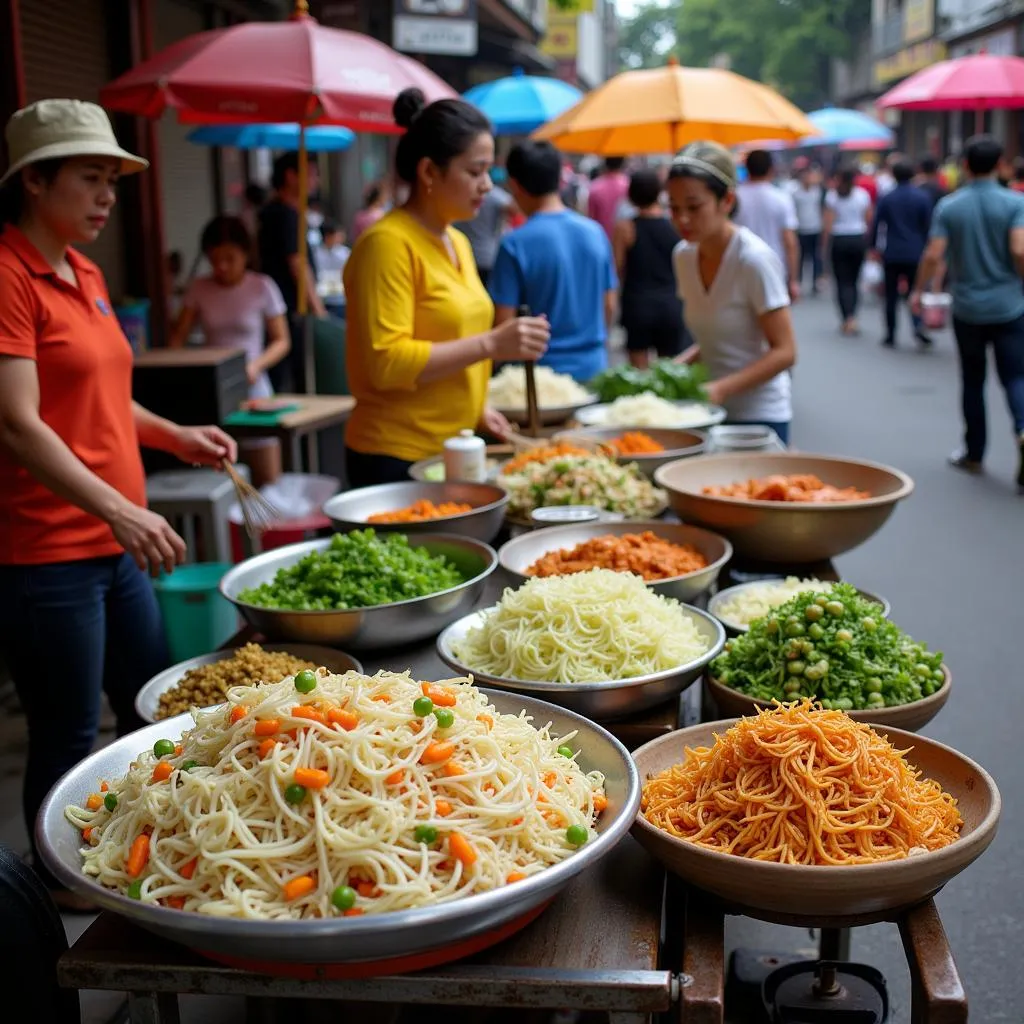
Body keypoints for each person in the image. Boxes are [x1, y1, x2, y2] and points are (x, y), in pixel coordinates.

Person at [0, 99, 237, 905]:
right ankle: (57, 899)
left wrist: (177, 435)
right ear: (35, 181)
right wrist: (121, 509)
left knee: (154, 710)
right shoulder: (7, 275)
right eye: (90, 178)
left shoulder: (85, 271)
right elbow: (19, 424)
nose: (108, 196)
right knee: (68, 734)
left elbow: (106, 399)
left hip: (116, 542)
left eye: (112, 180)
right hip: (50, 553)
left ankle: (157, 864)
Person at [342, 88, 549, 488]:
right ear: (429, 173)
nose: (487, 186)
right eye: (475, 172)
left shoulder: (457, 242)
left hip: (454, 449)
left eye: (490, 172)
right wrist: (492, 344)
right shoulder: (387, 244)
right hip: (396, 456)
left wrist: (478, 408)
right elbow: (386, 362)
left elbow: (455, 337)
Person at [911, 135, 1024, 487]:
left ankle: (974, 453)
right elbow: (1019, 250)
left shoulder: (950, 206)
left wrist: (919, 290)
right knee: (1016, 377)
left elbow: (933, 255)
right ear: (1000, 165)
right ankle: (1023, 428)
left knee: (973, 381)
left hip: (968, 308)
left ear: (964, 166)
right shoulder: (1015, 203)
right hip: (1010, 306)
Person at [666, 142, 797, 443]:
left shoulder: (753, 259)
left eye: (694, 207)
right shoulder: (683, 256)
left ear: (726, 200)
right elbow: (717, 339)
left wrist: (721, 388)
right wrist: (672, 369)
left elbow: (785, 351)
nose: (682, 219)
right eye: (673, 207)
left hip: (759, 416)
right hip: (706, 414)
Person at [490, 141, 618, 382]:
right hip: (594, 369)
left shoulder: (515, 244)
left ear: (514, 184)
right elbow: (609, 304)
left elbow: (503, 325)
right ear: (560, 180)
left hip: (539, 380)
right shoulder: (595, 233)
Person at [170, 215, 290, 399]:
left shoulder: (262, 286)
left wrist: (256, 366)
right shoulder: (199, 288)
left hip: (253, 384)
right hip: (212, 384)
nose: (222, 267)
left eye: (230, 258)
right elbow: (178, 337)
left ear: (245, 254)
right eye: (215, 259)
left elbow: (282, 341)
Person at [257, 152, 326, 392]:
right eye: (312, 173)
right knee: (297, 381)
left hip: (279, 307)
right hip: (290, 309)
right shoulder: (285, 214)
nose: (316, 180)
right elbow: (298, 264)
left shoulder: (274, 211)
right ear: (291, 176)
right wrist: (317, 309)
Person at [613, 168, 686, 368]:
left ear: (631, 196)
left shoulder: (626, 228)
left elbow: (617, 267)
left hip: (637, 304)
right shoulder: (674, 224)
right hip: (671, 303)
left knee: (638, 376)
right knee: (669, 372)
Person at [869, 160, 933, 348]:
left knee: (890, 295)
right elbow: (928, 226)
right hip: (915, 251)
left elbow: (877, 224)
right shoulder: (922, 197)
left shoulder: (887, 197)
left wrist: (873, 246)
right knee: (916, 291)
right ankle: (918, 326)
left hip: (892, 252)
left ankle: (890, 332)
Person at [734, 149, 800, 300]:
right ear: (771, 169)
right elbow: (790, 242)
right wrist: (793, 279)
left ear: (747, 168)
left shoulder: (733, 198)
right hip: (775, 267)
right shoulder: (781, 198)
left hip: (739, 265)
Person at [823, 168, 873, 336]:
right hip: (858, 239)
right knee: (854, 280)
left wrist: (824, 245)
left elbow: (828, 224)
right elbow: (868, 219)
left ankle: (846, 317)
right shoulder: (862, 195)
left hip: (839, 239)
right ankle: (853, 317)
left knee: (842, 281)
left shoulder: (832, 196)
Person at [454, 175, 514, 288]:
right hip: (485, 258)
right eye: (475, 171)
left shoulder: (459, 194)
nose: (487, 185)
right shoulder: (494, 195)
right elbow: (515, 208)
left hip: (465, 258)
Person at [788, 160, 825, 295]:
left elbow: (822, 209)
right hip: (801, 228)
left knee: (815, 256)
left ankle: (816, 280)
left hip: (815, 227)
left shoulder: (817, 192)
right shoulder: (795, 193)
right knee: (801, 256)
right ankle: (799, 280)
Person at [587, 157, 630, 242]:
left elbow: (591, 218)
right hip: (624, 242)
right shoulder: (629, 186)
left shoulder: (595, 187)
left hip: (601, 240)